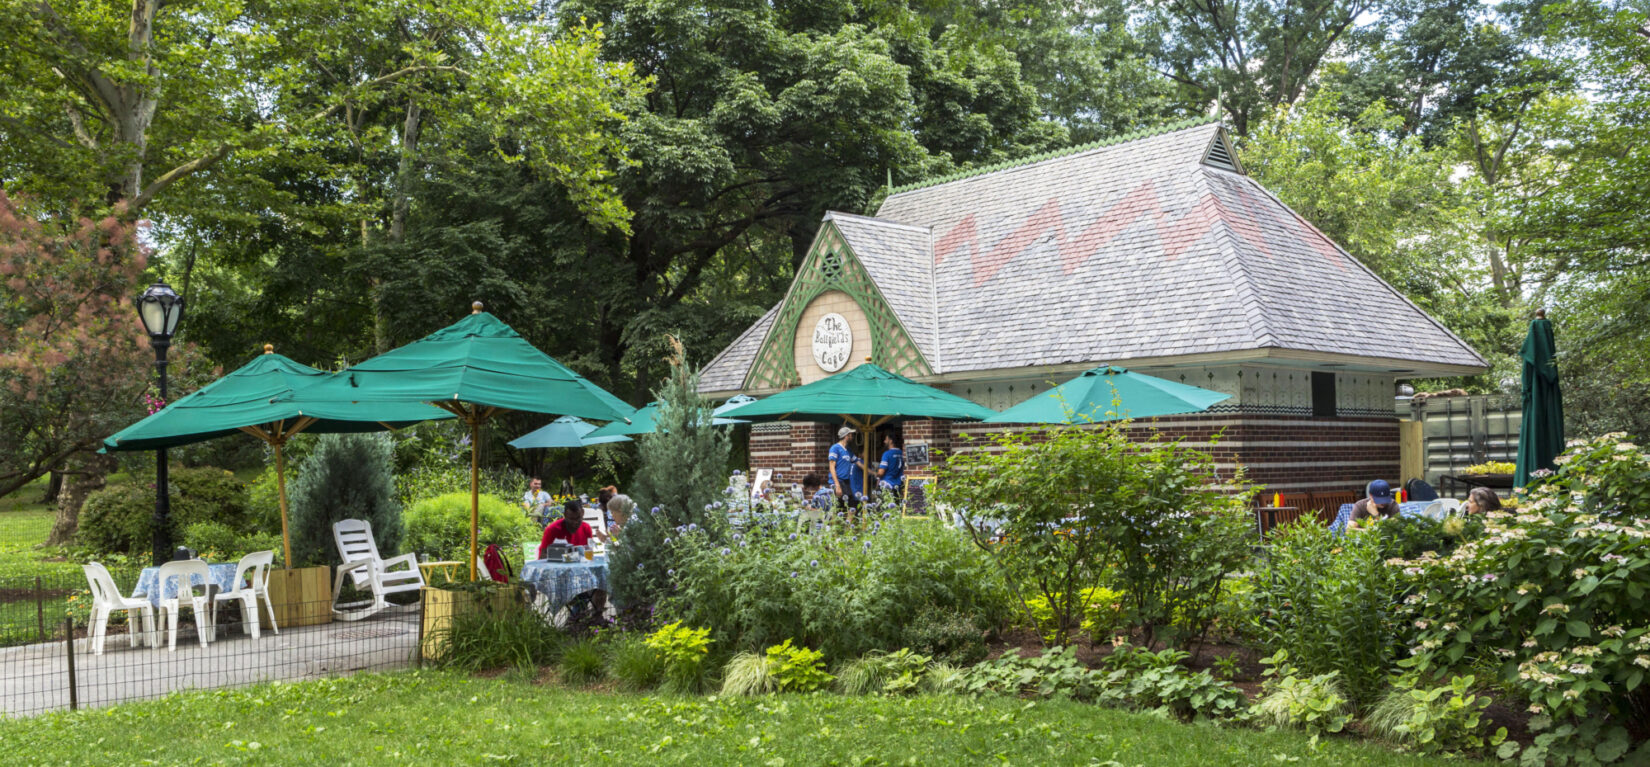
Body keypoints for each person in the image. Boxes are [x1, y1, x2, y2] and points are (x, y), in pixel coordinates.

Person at [538, 499, 609, 558]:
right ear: (565, 515)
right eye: (571, 519)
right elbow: (542, 556)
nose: (575, 522)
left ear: (583, 513)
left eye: (578, 518)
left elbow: (589, 551)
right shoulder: (552, 529)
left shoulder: (586, 528)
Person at [828, 426, 867, 509]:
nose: (852, 437)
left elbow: (858, 462)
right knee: (838, 507)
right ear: (846, 436)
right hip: (838, 482)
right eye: (851, 435)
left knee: (852, 504)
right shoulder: (835, 448)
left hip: (846, 482)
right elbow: (831, 467)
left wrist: (870, 471)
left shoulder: (848, 449)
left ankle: (847, 522)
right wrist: (837, 485)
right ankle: (835, 521)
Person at [877, 432, 905, 499]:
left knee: (884, 507)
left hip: (887, 484)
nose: (884, 441)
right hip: (898, 485)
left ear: (891, 441)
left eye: (886, 439)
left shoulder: (887, 454)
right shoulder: (902, 453)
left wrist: (876, 474)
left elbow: (881, 472)